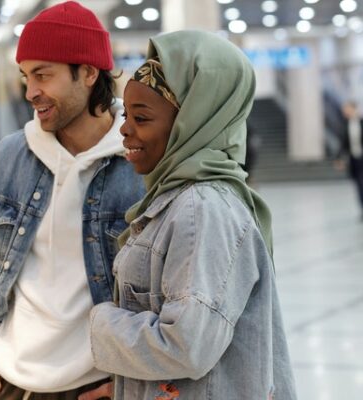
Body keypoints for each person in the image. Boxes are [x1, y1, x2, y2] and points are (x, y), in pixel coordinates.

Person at [87, 30, 297, 399]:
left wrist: (100, 324)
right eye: (126, 113)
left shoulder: (203, 210)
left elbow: (187, 345)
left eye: (142, 117)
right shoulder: (178, 199)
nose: (124, 129)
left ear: (192, 122)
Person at [0, 2, 145, 399]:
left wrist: (132, 382)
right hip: (6, 383)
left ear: (89, 72)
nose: (30, 92)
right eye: (25, 76)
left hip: (97, 385)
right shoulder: (8, 159)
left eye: (43, 75)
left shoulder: (140, 163)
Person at [340, 100, 363, 218]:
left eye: (346, 108)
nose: (344, 111)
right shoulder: (346, 123)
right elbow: (344, 144)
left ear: (353, 108)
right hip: (354, 160)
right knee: (359, 185)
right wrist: (340, 158)